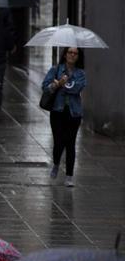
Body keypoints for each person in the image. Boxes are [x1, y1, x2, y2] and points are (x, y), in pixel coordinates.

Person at [43, 47, 86, 188]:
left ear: (78, 56)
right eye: (70, 52)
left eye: (75, 53)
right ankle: (56, 163)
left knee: (70, 143)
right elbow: (45, 87)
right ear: (65, 54)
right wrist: (56, 84)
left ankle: (69, 176)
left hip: (74, 113)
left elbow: (77, 88)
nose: (72, 55)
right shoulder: (55, 70)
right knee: (59, 141)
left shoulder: (80, 73)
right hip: (57, 111)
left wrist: (62, 85)